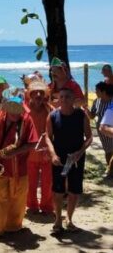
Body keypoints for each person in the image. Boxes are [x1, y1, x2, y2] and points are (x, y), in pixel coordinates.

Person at [0, 94, 38, 237]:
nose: (15, 115)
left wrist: (15, 152)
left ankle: (13, 226)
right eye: (12, 112)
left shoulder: (26, 119)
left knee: (18, 197)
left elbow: (33, 142)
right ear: (6, 109)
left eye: (18, 111)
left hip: (19, 166)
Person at [45, 87, 92, 233]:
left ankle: (69, 219)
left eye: (67, 97)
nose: (64, 100)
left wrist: (80, 152)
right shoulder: (53, 116)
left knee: (74, 190)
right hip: (59, 158)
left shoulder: (81, 115)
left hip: (76, 158)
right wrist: (52, 154)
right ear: (58, 99)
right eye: (62, 97)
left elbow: (89, 137)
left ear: (73, 100)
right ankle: (58, 220)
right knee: (57, 190)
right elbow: (47, 136)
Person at [26, 81, 53, 214]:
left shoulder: (50, 109)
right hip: (29, 152)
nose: (38, 95)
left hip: (47, 151)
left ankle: (47, 205)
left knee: (47, 182)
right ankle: (32, 205)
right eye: (35, 92)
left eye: (41, 93)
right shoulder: (25, 110)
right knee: (31, 181)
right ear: (30, 94)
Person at [89, 82, 113, 177]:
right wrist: (86, 110)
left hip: (111, 129)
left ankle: (110, 171)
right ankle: (110, 170)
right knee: (108, 151)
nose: (95, 92)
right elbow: (92, 116)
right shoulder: (96, 102)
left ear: (103, 92)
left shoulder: (112, 101)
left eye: (97, 90)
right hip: (102, 132)